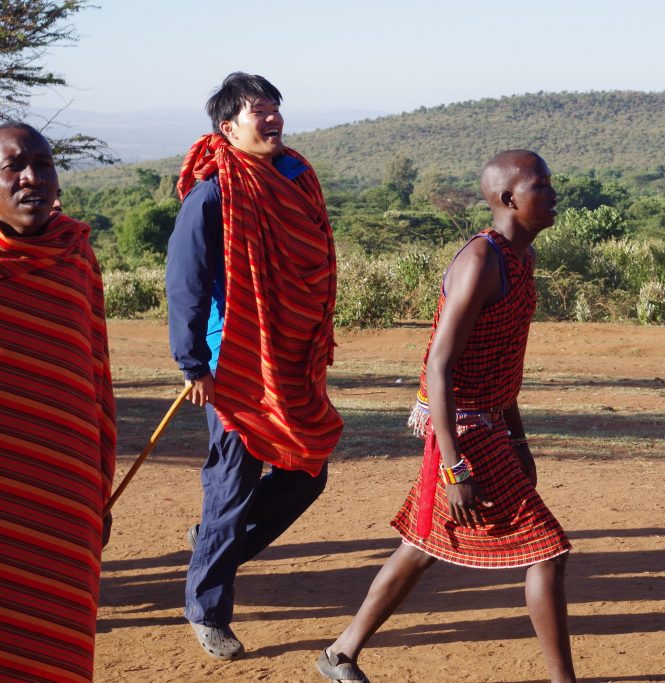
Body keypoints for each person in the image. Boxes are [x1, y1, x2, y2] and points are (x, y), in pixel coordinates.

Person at [314, 150, 575, 683]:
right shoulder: (481, 262)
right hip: (463, 428)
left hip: (488, 422)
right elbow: (439, 364)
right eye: (541, 186)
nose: (553, 195)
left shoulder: (518, 259)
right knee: (547, 552)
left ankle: (340, 653)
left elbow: (501, 363)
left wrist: (520, 441)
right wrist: (455, 467)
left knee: (423, 547)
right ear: (508, 199)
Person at [166, 72, 342, 660]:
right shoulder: (213, 193)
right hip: (237, 360)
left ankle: (213, 548)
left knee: (307, 472)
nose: (272, 119)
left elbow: (314, 257)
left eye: (275, 108)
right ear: (228, 127)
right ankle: (207, 608)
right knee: (232, 486)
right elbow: (185, 284)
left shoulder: (296, 177)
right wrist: (193, 363)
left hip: (292, 357)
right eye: (257, 111)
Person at [0, 123, 116, 682]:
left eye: (44, 165)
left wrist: (99, 487)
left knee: (59, 644)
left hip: (65, 496)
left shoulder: (74, 254)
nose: (32, 178)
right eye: (15, 167)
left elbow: (96, 374)